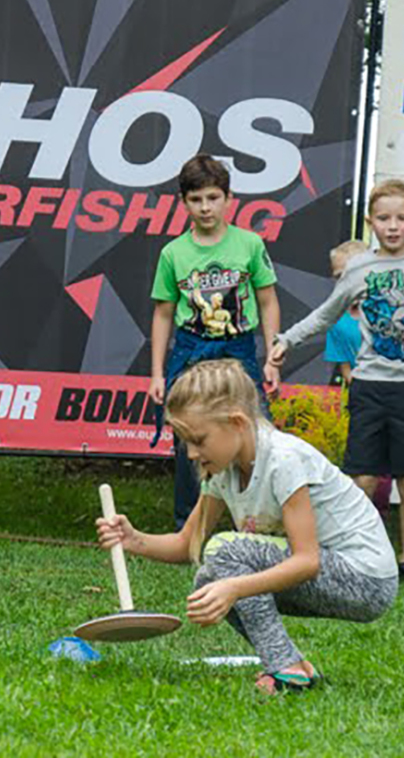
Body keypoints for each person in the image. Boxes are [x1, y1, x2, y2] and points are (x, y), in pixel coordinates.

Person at [96, 360, 396, 694]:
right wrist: (133, 540)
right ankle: (294, 667)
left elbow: (307, 561)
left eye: (198, 440)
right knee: (210, 578)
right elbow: (187, 545)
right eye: (185, 442)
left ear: (237, 423)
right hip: (329, 575)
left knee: (225, 554)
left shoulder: (283, 460)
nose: (191, 453)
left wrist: (236, 588)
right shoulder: (222, 470)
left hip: (366, 579)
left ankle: (285, 669)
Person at [268, 180, 404, 585]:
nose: (393, 226)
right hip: (370, 385)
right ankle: (352, 555)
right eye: (384, 218)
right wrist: (287, 340)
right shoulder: (359, 268)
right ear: (370, 222)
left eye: (401, 218)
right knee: (362, 477)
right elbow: (326, 313)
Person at [151, 154, 280, 527]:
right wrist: (157, 373)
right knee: (188, 437)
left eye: (213, 197)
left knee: (257, 434)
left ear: (228, 198)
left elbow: (268, 301)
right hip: (192, 350)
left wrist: (272, 357)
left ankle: (259, 522)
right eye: (196, 199)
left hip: (238, 349)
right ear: (183, 202)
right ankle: (187, 528)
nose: (205, 207)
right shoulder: (173, 253)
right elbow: (163, 313)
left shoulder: (249, 244)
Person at [322, 241, 370, 387]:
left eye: (348, 275)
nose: (343, 283)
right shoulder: (337, 321)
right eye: (338, 277)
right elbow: (346, 369)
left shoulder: (390, 310)